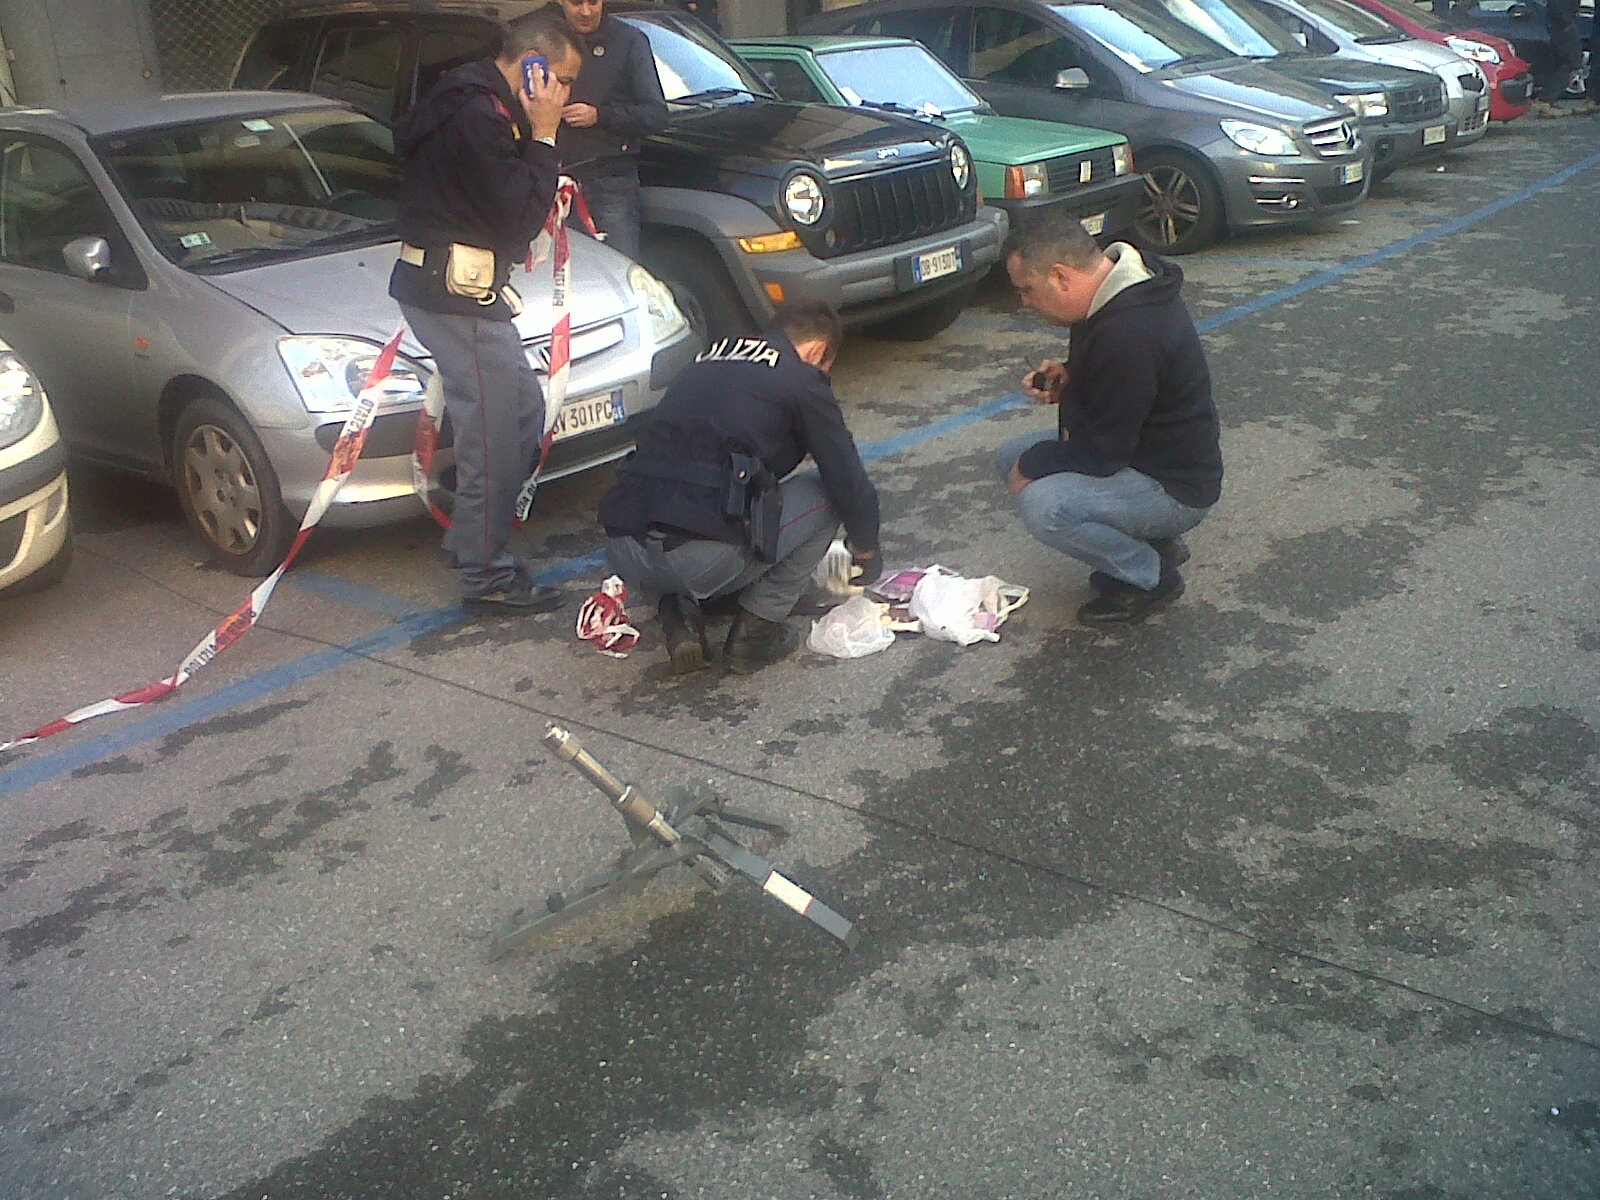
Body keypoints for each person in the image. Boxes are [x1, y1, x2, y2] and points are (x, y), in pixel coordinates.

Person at [389, 14, 584, 613]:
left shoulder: (470, 95)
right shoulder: (480, 116)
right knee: (496, 433)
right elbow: (518, 217)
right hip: (456, 296)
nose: (568, 96)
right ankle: (484, 575)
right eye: (565, 80)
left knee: (522, 412)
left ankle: (471, 534)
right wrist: (546, 138)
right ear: (533, 66)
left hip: (456, 289)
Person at [599, 301, 882, 674]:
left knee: (683, 503)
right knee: (826, 493)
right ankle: (755, 632)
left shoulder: (704, 361)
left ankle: (678, 611)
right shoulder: (799, 377)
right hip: (698, 560)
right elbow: (846, 477)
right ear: (816, 352)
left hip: (625, 550)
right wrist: (866, 548)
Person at [997, 209, 1222, 626]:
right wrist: (1072, 375)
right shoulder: (1118, 291)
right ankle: (1158, 543)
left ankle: (1151, 577)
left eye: (1027, 289)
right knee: (1008, 454)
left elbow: (1103, 453)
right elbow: (1127, 390)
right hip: (1144, 455)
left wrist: (1032, 467)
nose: (1024, 302)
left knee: (1043, 504)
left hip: (1173, 486)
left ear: (1061, 276)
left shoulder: (1130, 331)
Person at [545, 0, 668, 259]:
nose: (586, 11)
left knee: (619, 267)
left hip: (609, 181)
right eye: (576, 3)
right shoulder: (542, 39)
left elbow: (655, 115)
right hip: (550, 178)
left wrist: (600, 115)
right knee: (557, 274)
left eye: (593, 1)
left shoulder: (629, 40)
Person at [1530, 0, 1584, 117]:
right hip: (1563, 24)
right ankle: (1545, 99)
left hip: (1560, 22)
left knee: (1559, 63)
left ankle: (1548, 103)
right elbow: (1557, 5)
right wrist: (1568, 23)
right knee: (1571, 63)